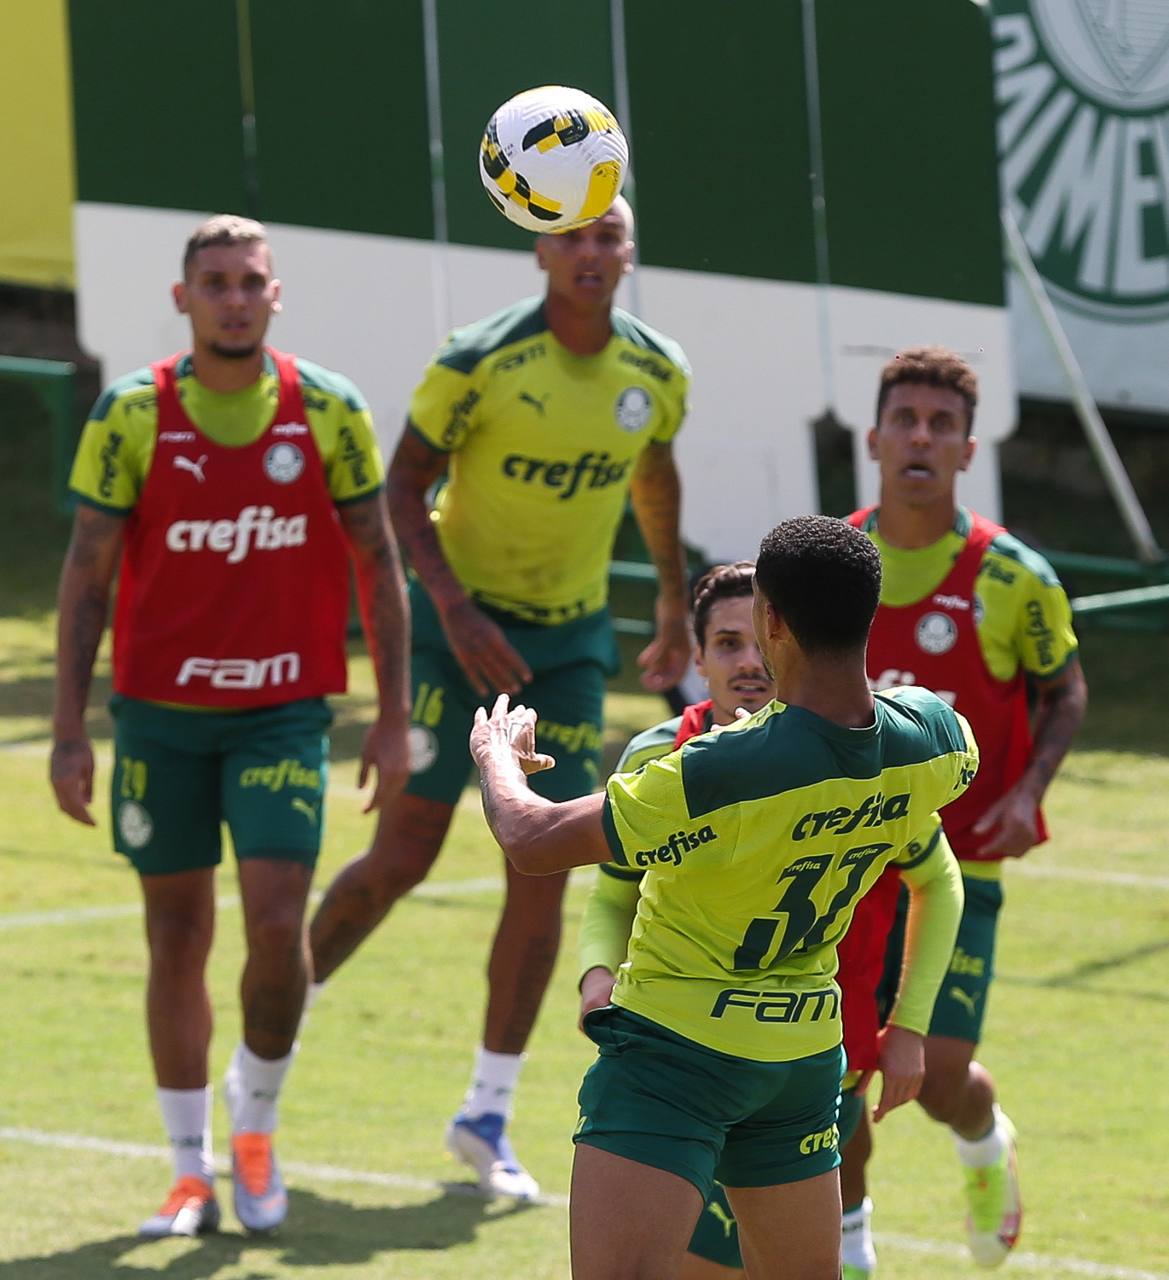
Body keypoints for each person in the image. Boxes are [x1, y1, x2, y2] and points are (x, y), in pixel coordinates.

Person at [305, 197, 692, 1197]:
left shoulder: (656, 372)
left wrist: (668, 598)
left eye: (608, 235)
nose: (590, 251)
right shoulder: (478, 357)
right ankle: (283, 1010)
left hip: (564, 646)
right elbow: (400, 490)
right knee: (404, 853)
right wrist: (451, 605)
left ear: (629, 252)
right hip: (454, 637)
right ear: (540, 249)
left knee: (542, 865)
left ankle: (486, 1112)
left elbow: (654, 477)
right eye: (573, 235)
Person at [470, 515, 975, 1280]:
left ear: (772, 621)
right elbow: (926, 760)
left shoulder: (721, 768)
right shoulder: (935, 739)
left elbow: (531, 838)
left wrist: (496, 758)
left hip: (676, 1057)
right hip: (801, 1058)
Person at [50, 215, 412, 1237]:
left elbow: (378, 560)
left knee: (275, 926)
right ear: (184, 299)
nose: (235, 298)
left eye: (251, 281)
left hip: (282, 715)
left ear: (275, 294)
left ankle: (254, 1118)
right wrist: (70, 728)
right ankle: (187, 1170)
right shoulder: (132, 412)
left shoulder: (328, 408)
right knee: (175, 934)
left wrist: (391, 715)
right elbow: (86, 571)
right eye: (215, 282)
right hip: (158, 720)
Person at [842, 346, 1087, 1270]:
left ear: (967, 450)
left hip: (957, 869)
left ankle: (984, 1141)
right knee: (831, 1076)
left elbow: (1065, 689)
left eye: (940, 425)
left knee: (936, 1080)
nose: (920, 438)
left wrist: (1029, 792)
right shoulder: (830, 562)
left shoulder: (1010, 576)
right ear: (872, 439)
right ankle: (849, 1252)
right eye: (903, 420)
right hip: (840, 861)